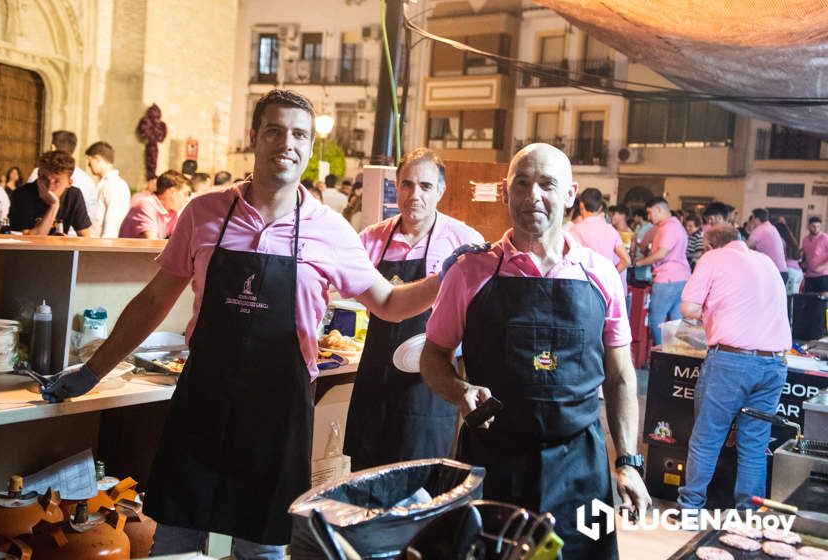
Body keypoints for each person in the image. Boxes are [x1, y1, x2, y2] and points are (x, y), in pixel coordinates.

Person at [40, 89, 446, 560]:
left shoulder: (329, 229)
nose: (286, 143)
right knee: (173, 542)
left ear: (310, 147)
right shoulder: (203, 213)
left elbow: (391, 304)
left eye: (299, 134)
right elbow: (152, 301)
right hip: (202, 401)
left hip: (280, 413)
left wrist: (448, 279)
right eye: (274, 130)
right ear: (254, 137)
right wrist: (92, 373)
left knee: (263, 550)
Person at [419, 143, 651, 559]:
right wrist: (459, 391)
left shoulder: (599, 274)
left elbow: (620, 377)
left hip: (582, 466)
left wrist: (629, 462)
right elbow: (433, 356)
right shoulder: (469, 273)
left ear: (569, 194)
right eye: (521, 184)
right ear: (506, 193)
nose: (532, 196)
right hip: (493, 465)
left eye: (546, 184)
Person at [343, 148, 484, 471]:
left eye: (425, 186)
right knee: (367, 480)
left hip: (430, 384)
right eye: (407, 184)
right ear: (396, 185)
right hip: (375, 378)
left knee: (424, 484)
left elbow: (478, 315)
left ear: (440, 191)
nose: (414, 195)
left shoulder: (463, 241)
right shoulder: (371, 239)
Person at [677, 225, 790, 512]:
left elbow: (688, 308)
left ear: (711, 245)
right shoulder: (765, 261)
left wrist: (713, 311)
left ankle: (691, 509)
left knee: (707, 438)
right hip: (775, 363)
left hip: (732, 362)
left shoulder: (713, 259)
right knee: (754, 446)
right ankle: (747, 517)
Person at [635, 197, 691, 345]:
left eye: (650, 212)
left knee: (657, 319)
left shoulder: (669, 227)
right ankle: (672, 357)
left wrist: (639, 263)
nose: (648, 217)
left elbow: (661, 253)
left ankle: (661, 354)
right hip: (681, 277)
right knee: (675, 320)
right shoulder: (676, 225)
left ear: (659, 210)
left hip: (667, 278)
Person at [9, 151, 91, 236]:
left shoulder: (74, 196)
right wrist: (54, 206)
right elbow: (28, 241)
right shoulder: (21, 194)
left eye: (57, 182)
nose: (49, 187)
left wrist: (67, 242)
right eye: (44, 178)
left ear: (69, 183)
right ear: (38, 175)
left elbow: (85, 238)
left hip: (59, 249)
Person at [27, 130, 98, 219]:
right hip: (75, 231)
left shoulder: (40, 173)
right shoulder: (87, 180)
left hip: (40, 228)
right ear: (73, 150)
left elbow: (26, 205)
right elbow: (92, 215)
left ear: (53, 147)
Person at [571, 189, 631, 276]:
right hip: (605, 285)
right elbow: (627, 260)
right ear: (600, 208)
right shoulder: (611, 231)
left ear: (582, 206)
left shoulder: (575, 230)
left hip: (584, 283)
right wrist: (611, 276)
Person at [119, 170, 192, 239]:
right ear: (172, 192)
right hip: (125, 252)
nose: (187, 199)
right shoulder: (146, 205)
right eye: (185, 194)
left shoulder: (172, 210)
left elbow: (182, 240)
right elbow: (152, 243)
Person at [85, 141, 131, 238]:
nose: (88, 165)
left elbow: (112, 221)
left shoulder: (115, 185)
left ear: (97, 159)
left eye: (90, 161)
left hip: (103, 244)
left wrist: (105, 248)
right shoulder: (105, 183)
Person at [747, 208, 788, 283]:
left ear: (756, 219)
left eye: (752, 217)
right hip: (782, 271)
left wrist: (751, 229)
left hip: (773, 272)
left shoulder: (760, 229)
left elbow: (746, 248)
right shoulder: (772, 228)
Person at [774, 221, 803, 295]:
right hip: (797, 272)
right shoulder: (792, 240)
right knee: (793, 298)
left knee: (786, 298)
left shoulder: (779, 240)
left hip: (788, 271)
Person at [801, 216, 828, 294]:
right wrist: (804, 263)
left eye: (818, 226)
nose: (816, 229)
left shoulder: (825, 238)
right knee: (810, 300)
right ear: (809, 226)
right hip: (809, 276)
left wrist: (823, 266)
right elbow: (805, 255)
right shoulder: (805, 240)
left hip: (823, 275)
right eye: (813, 226)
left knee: (823, 302)